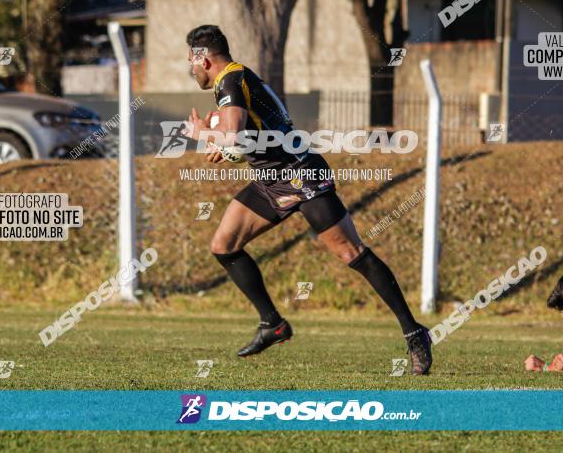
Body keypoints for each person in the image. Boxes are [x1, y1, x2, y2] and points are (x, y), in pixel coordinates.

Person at [180, 25, 432, 375]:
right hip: (271, 178)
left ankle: (415, 332)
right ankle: (273, 324)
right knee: (224, 244)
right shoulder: (234, 80)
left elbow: (233, 132)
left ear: (204, 59)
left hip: (300, 174)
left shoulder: (230, 80)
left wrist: (203, 133)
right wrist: (229, 146)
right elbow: (248, 134)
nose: (191, 71)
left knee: (351, 252)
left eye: (191, 64)